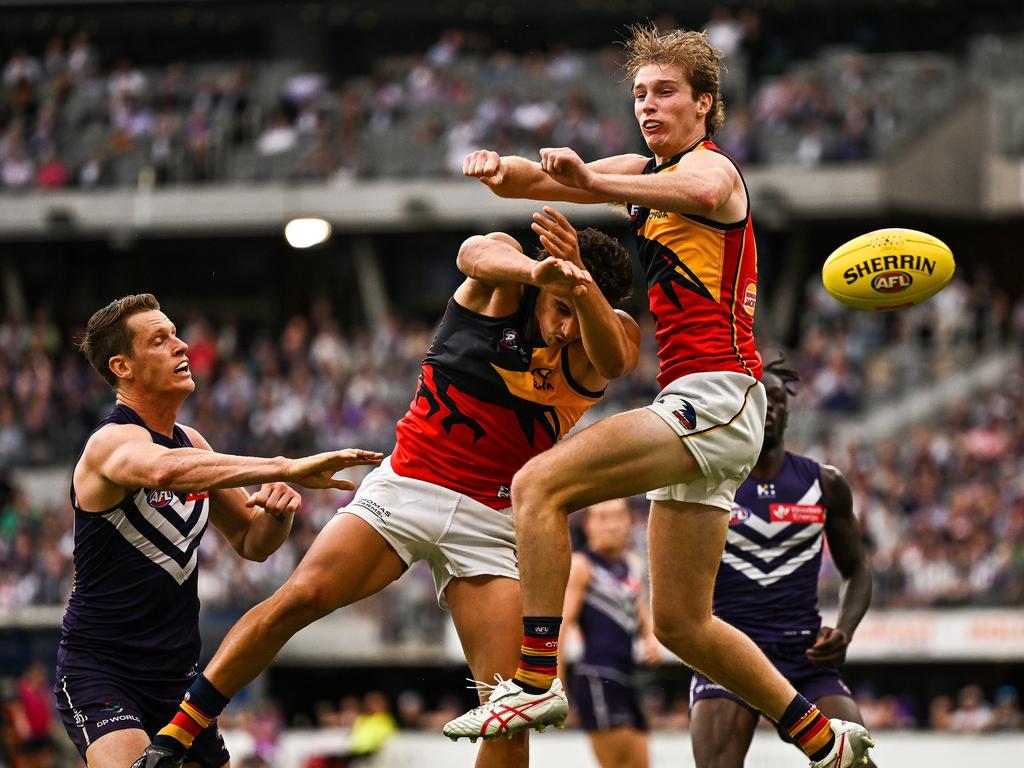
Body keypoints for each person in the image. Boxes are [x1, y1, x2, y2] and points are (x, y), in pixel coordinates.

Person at [446, 22, 874, 768]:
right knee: (681, 624)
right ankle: (824, 740)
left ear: (705, 104)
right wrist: (497, 167)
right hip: (706, 413)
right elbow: (534, 182)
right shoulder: (641, 173)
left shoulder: (714, 172)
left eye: (666, 92)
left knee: (537, 484)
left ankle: (537, 678)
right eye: (640, 93)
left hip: (719, 398)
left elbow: (690, 189)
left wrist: (591, 182)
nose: (649, 105)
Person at [131, 209, 639, 768]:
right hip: (408, 485)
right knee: (296, 600)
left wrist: (580, 292)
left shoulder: (607, 337)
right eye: (560, 311)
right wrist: (544, 275)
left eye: (580, 312)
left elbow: (614, 359)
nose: (566, 328)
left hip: (491, 521)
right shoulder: (504, 285)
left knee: (505, 717)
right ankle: (175, 739)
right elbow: (473, 251)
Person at [54, 293, 383, 768]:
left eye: (176, 334)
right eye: (161, 340)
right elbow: (165, 472)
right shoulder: (110, 442)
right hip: (101, 672)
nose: (183, 346)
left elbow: (252, 544)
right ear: (122, 367)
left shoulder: (193, 443)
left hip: (176, 680)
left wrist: (277, 514)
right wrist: (284, 466)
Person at [688, 362, 876, 768]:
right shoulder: (711, 482)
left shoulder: (824, 483)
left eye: (776, 399)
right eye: (758, 399)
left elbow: (857, 570)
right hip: (730, 654)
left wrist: (844, 630)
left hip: (803, 654)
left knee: (855, 763)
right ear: (741, 409)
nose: (769, 408)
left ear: (789, 410)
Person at [561, 499, 659, 768]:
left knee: (641, 762)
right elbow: (561, 628)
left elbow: (639, 610)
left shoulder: (630, 565)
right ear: (588, 525)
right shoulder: (582, 566)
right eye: (602, 518)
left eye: (617, 517)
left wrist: (650, 639)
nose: (611, 525)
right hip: (597, 675)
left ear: (629, 521)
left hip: (627, 675)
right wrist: (557, 687)